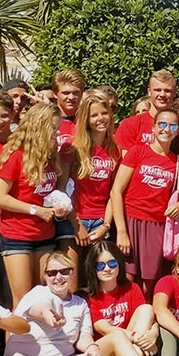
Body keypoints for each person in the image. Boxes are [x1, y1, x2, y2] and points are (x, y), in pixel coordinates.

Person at [0, 104, 75, 303]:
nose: (56, 135)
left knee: (44, 298)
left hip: (45, 234)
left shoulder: (50, 157)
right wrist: (36, 210)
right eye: (53, 130)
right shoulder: (17, 157)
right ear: (40, 128)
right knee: (23, 302)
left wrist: (58, 207)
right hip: (17, 236)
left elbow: (47, 194)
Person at [0, 251, 99, 356]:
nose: (58, 277)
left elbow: (83, 336)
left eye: (64, 271)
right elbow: (38, 308)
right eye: (52, 273)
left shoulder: (80, 303)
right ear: (45, 276)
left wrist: (92, 347)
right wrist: (48, 315)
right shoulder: (37, 293)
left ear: (72, 272)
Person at [110, 106, 179, 289]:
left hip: (157, 224)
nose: (167, 129)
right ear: (154, 127)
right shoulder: (137, 152)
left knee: (149, 283)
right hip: (131, 220)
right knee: (127, 278)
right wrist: (121, 230)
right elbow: (116, 190)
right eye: (162, 124)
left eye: (173, 126)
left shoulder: (178, 161)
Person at [66, 90, 118, 251]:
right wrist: (76, 223)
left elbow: (114, 192)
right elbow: (62, 191)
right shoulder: (73, 148)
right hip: (74, 220)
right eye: (94, 115)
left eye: (104, 113)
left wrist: (106, 225)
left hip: (101, 221)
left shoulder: (115, 150)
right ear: (86, 120)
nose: (101, 118)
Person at [114, 70, 177, 149]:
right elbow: (125, 159)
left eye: (167, 91)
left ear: (175, 92)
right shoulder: (130, 125)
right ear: (149, 92)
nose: (162, 94)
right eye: (157, 90)